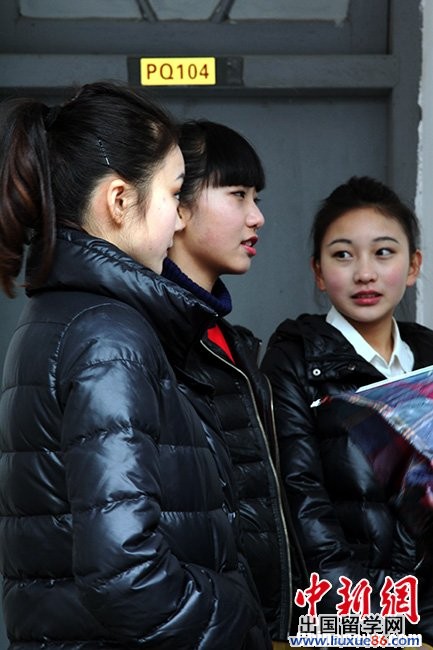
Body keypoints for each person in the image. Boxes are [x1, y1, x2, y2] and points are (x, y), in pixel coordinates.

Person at [0, 82, 271, 649]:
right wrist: (240, 616)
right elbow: (127, 574)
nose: (179, 222)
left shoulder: (67, 314)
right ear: (120, 201)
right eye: (175, 196)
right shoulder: (107, 335)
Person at [261, 176, 433, 643]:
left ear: (413, 264)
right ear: (318, 271)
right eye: (342, 254)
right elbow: (299, 499)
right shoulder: (292, 359)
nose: (365, 274)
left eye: (383, 252)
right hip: (345, 618)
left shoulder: (429, 356)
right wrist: (364, 623)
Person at [162, 119, 307, 649]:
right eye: (238, 194)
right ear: (177, 205)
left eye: (257, 196)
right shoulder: (151, 340)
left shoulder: (235, 344)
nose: (257, 216)